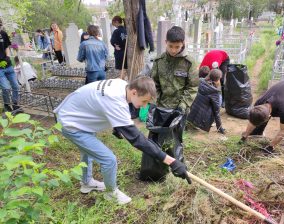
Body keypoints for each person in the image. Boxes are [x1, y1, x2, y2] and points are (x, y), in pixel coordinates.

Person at [53, 77, 191, 205]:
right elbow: (138, 140)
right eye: (144, 101)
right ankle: (111, 193)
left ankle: (87, 182)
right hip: (72, 123)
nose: (144, 106)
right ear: (134, 92)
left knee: (87, 151)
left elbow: (104, 105)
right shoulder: (114, 100)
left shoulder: (122, 85)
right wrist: (171, 161)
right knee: (108, 159)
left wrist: (117, 126)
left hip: (77, 114)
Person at [150, 26, 198, 161]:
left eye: (177, 46)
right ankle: (158, 163)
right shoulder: (159, 61)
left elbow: (193, 87)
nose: (173, 50)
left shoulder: (189, 63)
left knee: (176, 138)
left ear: (183, 43)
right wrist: (155, 102)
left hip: (179, 108)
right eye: (171, 46)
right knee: (158, 138)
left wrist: (183, 106)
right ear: (166, 42)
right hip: (162, 106)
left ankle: (176, 163)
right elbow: (154, 84)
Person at [240, 79, 284, 156]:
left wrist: (271, 146)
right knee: (258, 119)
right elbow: (253, 121)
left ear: (269, 116)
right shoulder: (259, 103)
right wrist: (245, 136)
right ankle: (257, 136)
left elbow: (283, 130)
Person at [187, 69, 225, 134]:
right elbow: (216, 112)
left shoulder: (200, 80)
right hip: (199, 121)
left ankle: (191, 121)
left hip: (188, 114)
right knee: (216, 105)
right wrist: (219, 127)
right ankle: (198, 124)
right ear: (218, 80)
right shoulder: (215, 92)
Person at [0, 24, 21, 113]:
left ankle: (15, 104)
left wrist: (8, 57)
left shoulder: (3, 34)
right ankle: (7, 105)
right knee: (6, 88)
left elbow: (7, 47)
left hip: (8, 66)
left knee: (16, 86)